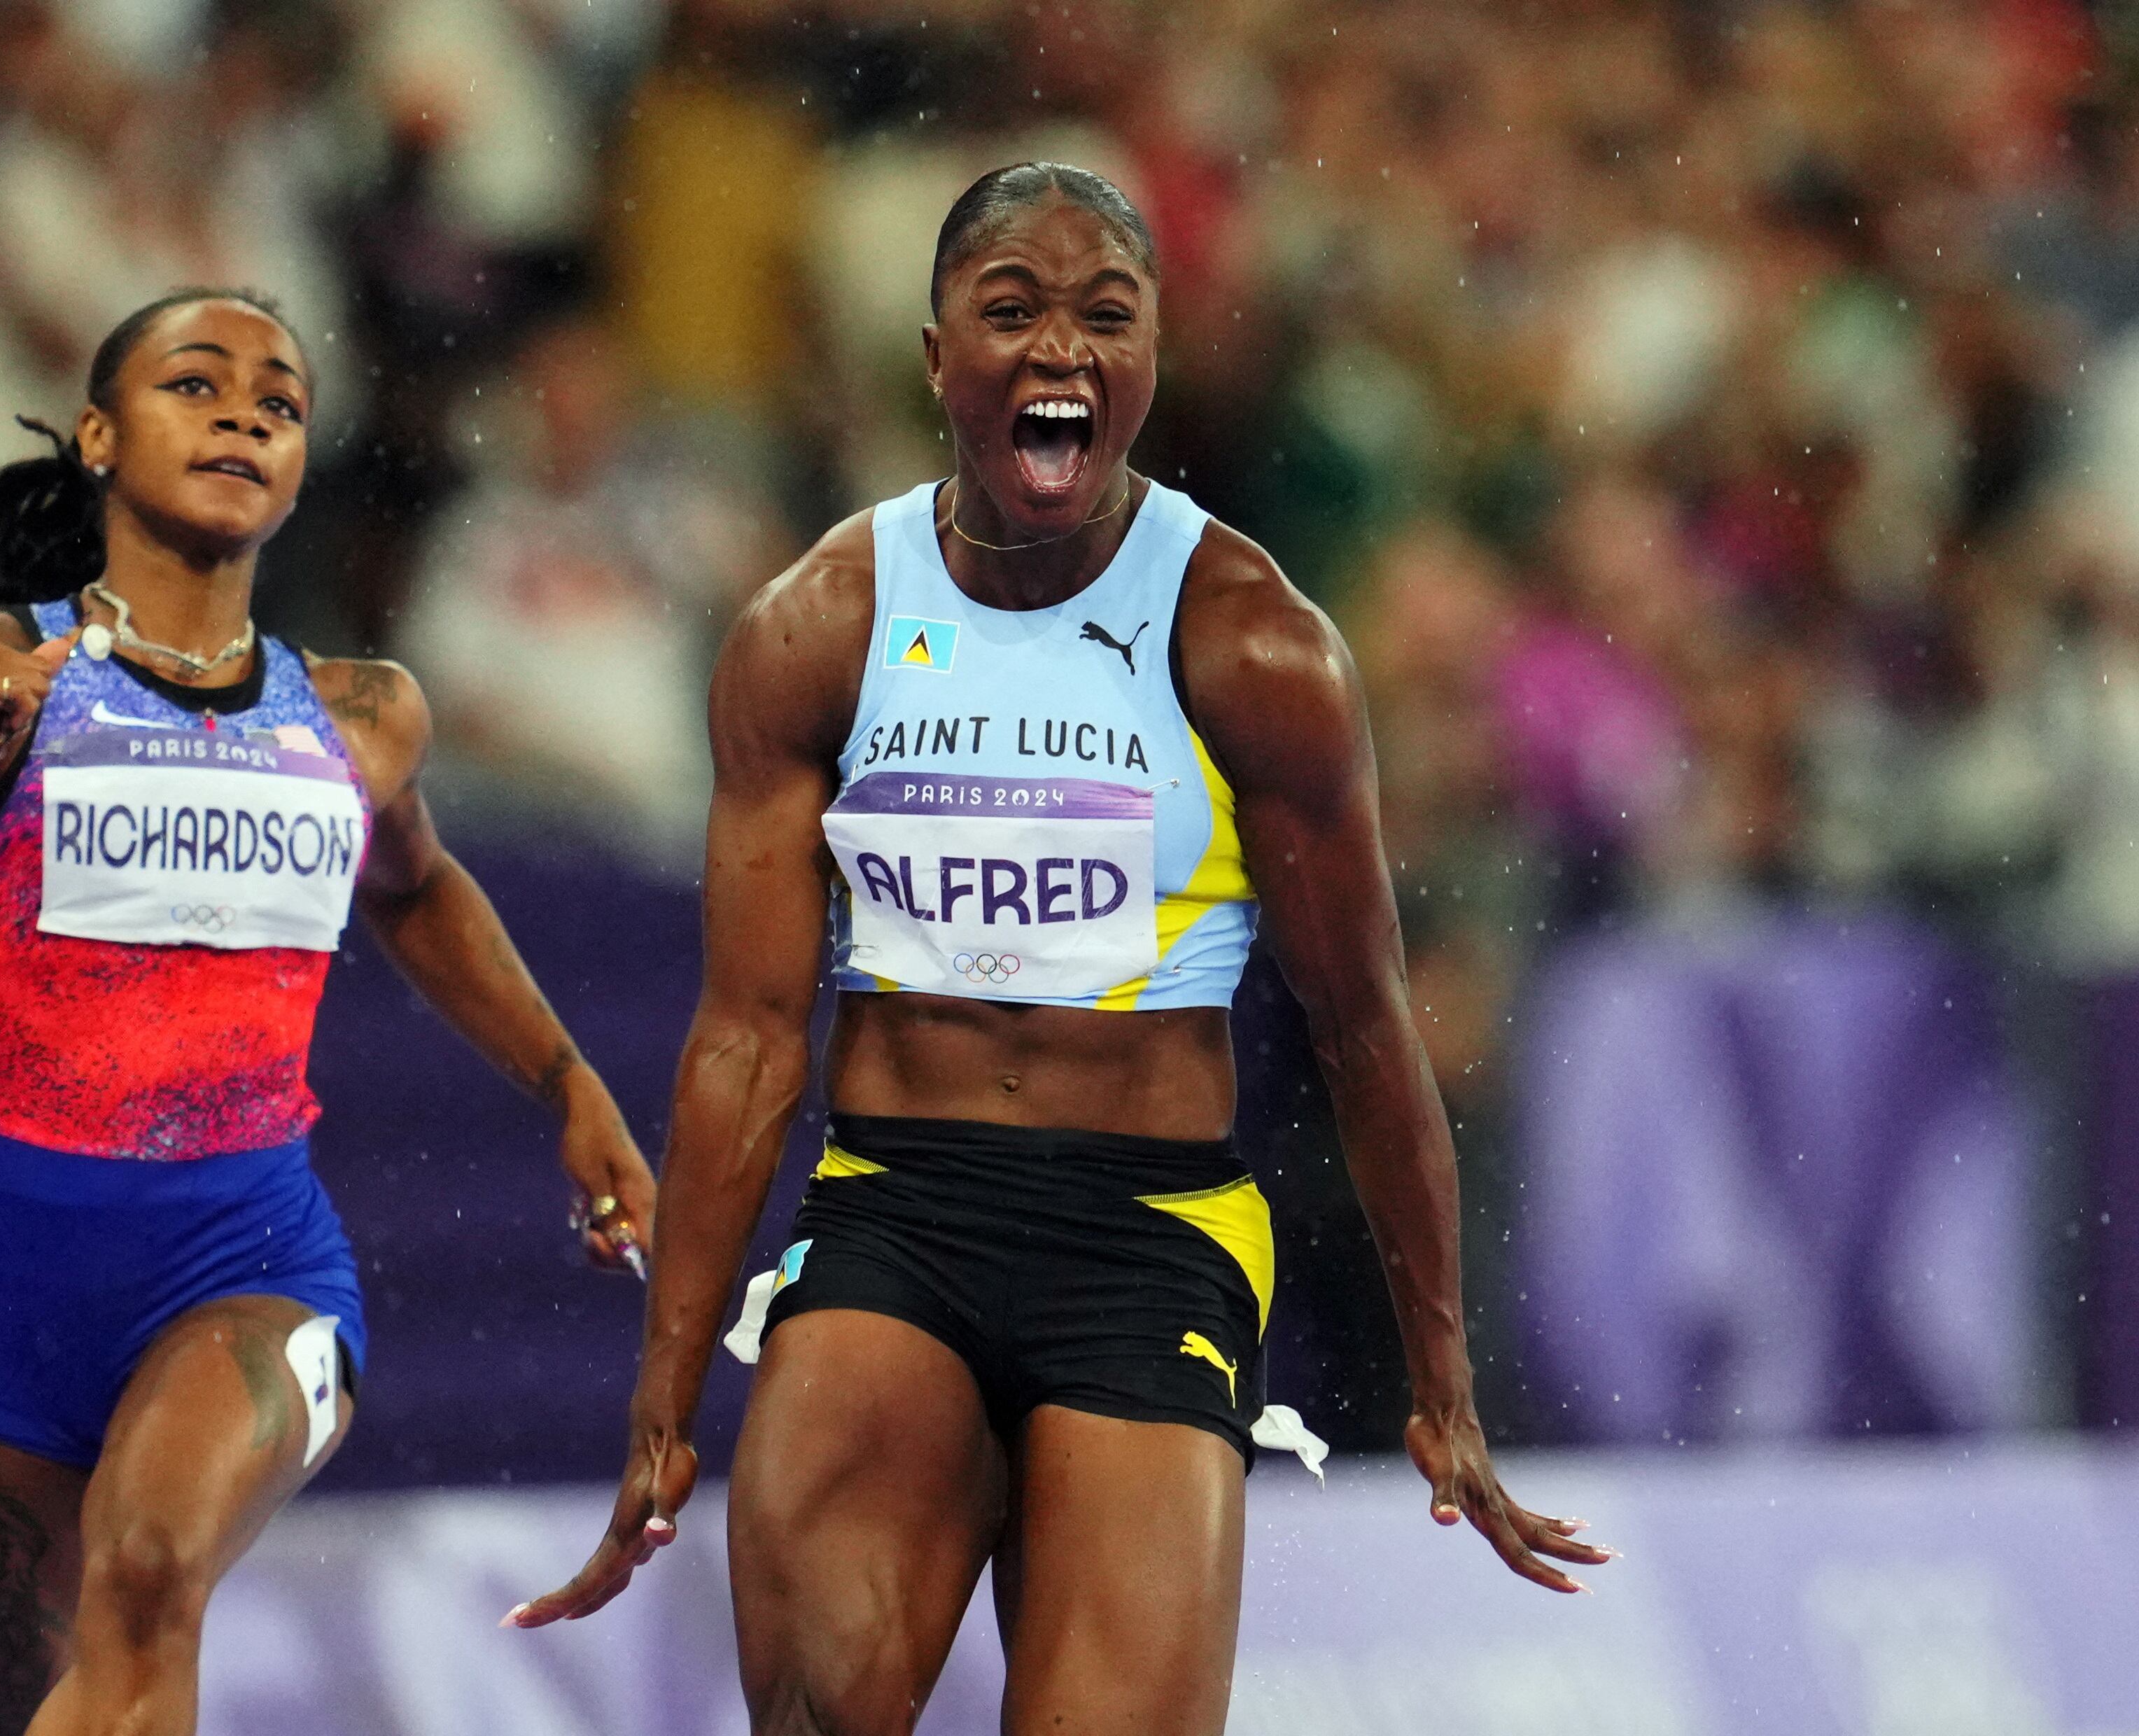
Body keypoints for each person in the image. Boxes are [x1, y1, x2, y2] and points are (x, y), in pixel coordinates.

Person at [512, 165, 1612, 1732]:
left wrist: (1445, 1381)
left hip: (1150, 1235)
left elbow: (1368, 1030)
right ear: (933, 351)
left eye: (1109, 316)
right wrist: (664, 1401)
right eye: (1012, 310)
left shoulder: (1254, 641)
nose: (1062, 353)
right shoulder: (817, 626)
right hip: (897, 1210)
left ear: (1155, 357)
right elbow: (748, 1037)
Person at [0, 287, 657, 1736]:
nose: (245, 414)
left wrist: (567, 1083)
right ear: (98, 435)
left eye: (279, 401)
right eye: (197, 385)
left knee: (148, 1578)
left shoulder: (356, 714)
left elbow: (418, 889)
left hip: (248, 1265)